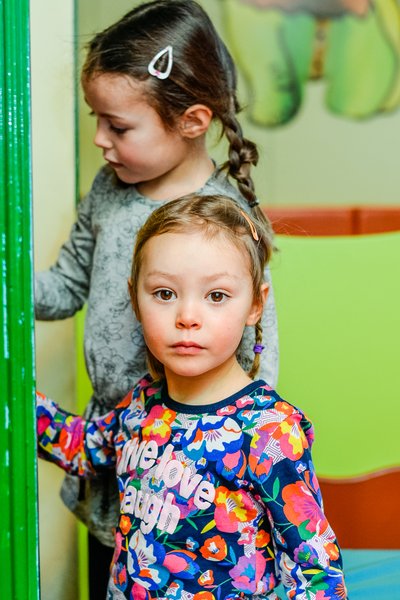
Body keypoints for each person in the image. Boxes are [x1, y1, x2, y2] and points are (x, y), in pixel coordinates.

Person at [34, 0, 279, 594]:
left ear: (193, 120)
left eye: (118, 126)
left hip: (195, 490)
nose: (99, 139)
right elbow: (64, 286)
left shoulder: (228, 221)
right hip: (114, 461)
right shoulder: (109, 190)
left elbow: (259, 363)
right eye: (97, 119)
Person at [37, 194, 347, 600]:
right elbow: (83, 447)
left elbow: (317, 571)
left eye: (216, 296)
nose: (187, 316)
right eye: (164, 294)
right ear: (135, 298)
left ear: (255, 303)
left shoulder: (271, 431)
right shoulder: (143, 404)